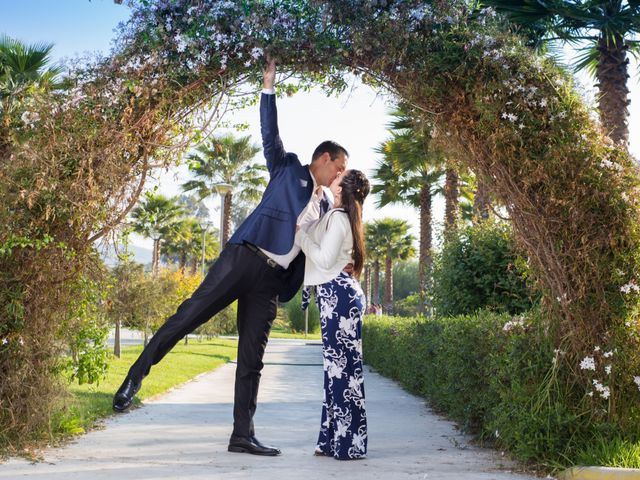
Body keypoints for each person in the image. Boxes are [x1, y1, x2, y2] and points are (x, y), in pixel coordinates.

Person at [111, 58, 348, 456]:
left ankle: (242, 434)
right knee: (188, 316)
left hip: (272, 281)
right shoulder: (289, 169)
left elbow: (323, 250)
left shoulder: (328, 207)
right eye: (339, 167)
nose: (341, 174)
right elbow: (270, 136)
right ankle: (135, 377)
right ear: (323, 159)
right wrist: (268, 88)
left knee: (252, 359)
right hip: (244, 258)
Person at [295, 168, 371, 460]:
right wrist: (315, 198)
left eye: (341, 175)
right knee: (337, 373)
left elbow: (324, 257)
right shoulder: (337, 214)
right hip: (336, 296)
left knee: (343, 373)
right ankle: (333, 441)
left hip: (339, 298)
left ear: (342, 188)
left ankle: (348, 444)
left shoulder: (340, 219)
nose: (336, 175)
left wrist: (301, 238)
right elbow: (312, 226)